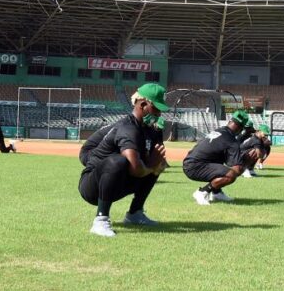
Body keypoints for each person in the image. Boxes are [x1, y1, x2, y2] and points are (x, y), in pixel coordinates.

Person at [78, 83, 168, 237]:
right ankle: (101, 220)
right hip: (92, 186)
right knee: (117, 161)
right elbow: (136, 169)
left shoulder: (151, 130)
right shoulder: (128, 128)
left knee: (155, 164)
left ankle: (135, 213)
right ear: (143, 104)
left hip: (116, 182)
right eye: (156, 109)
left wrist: (156, 165)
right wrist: (151, 165)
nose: (159, 114)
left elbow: (156, 161)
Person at [182, 110, 258, 205]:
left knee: (220, 166)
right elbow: (236, 170)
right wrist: (247, 163)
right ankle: (202, 192)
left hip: (189, 162)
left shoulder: (220, 130)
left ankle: (216, 193)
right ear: (241, 127)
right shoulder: (231, 141)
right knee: (231, 174)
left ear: (230, 121)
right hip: (195, 167)